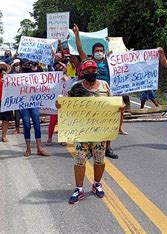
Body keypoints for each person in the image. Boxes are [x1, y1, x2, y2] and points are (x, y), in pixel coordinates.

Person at [57, 60, 124, 204]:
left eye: (93, 70)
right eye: (87, 71)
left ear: (96, 71)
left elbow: (113, 103)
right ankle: (79, 189)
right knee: (80, 160)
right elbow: (66, 104)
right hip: (82, 131)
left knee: (99, 159)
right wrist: (60, 103)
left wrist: (120, 107)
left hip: (100, 131)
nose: (90, 73)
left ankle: (97, 184)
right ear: (83, 72)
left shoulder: (104, 86)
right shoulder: (76, 88)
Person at [70, 24, 119, 159]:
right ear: (93, 52)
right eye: (97, 50)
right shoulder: (88, 61)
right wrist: (77, 35)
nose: (99, 52)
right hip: (89, 97)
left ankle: (107, 148)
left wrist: (112, 43)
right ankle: (88, 148)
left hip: (105, 95)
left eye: (101, 50)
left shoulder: (110, 62)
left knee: (107, 123)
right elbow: (79, 49)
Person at [20, 59, 49, 157]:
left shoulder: (38, 68)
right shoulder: (21, 71)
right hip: (23, 102)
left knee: (37, 124)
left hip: (34, 101)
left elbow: (45, 79)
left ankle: (39, 148)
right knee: (26, 125)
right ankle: (28, 148)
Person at [47, 61, 69, 145]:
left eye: (60, 66)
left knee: (63, 121)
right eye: (56, 66)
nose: (58, 67)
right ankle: (49, 138)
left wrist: (66, 80)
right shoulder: (51, 78)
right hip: (54, 103)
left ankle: (63, 138)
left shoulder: (68, 77)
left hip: (64, 103)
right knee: (52, 121)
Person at [11, 59, 22, 135]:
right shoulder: (12, 74)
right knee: (17, 114)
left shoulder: (26, 73)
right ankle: (17, 128)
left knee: (25, 113)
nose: (17, 66)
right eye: (15, 65)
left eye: (18, 64)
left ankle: (26, 127)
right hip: (16, 96)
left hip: (25, 96)